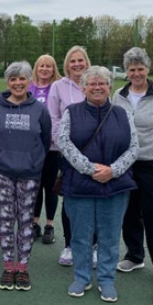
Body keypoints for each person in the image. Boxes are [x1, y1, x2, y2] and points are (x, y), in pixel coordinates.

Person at [57, 66, 138, 303]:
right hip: (80, 185)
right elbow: (63, 142)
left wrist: (113, 171)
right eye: (92, 84)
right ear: (83, 88)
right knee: (81, 236)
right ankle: (81, 278)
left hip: (115, 186)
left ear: (110, 87)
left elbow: (134, 147)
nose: (97, 87)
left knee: (110, 236)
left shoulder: (123, 114)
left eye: (102, 83)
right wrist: (90, 168)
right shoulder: (71, 112)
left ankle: (106, 279)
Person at [0, 61, 51, 291]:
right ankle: (7, 266)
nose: (18, 83)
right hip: (3, 172)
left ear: (29, 80)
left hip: (30, 173)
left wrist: (33, 161)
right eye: (13, 79)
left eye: (22, 78)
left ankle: (22, 268)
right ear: (7, 82)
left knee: (25, 220)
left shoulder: (40, 109)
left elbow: (45, 139)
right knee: (7, 218)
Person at [112, 47, 153, 275]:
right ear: (126, 71)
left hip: (152, 163)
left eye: (140, 69)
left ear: (147, 69)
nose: (136, 74)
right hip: (126, 163)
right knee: (129, 213)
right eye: (131, 69)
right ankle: (134, 255)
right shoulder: (119, 94)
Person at [48, 45, 91, 266]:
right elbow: (53, 118)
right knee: (70, 199)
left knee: (94, 198)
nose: (77, 64)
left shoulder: (95, 82)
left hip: (94, 154)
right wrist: (65, 147)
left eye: (80, 60)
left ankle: (92, 245)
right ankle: (70, 245)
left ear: (87, 62)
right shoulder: (58, 86)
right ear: (67, 64)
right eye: (72, 61)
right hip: (67, 154)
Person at [28, 54, 62, 244]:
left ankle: (49, 225)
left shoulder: (56, 87)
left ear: (53, 68)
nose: (44, 69)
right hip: (32, 148)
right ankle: (35, 223)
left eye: (48, 66)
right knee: (35, 187)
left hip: (52, 148)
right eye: (41, 65)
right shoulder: (29, 87)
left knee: (50, 187)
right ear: (36, 68)